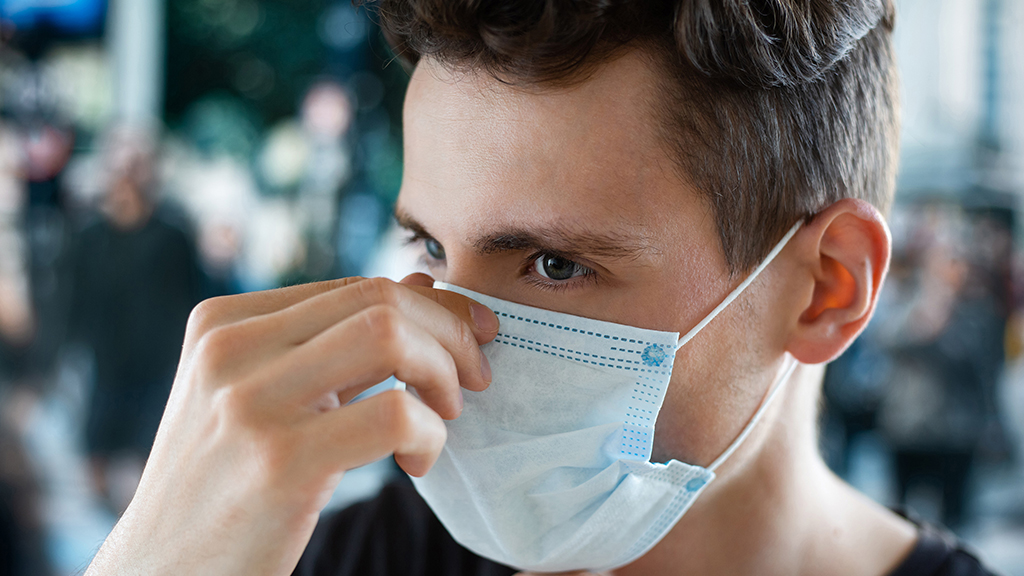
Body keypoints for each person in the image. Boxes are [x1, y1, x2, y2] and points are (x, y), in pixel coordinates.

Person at [85, 1, 998, 575]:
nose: (441, 344)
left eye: (555, 265)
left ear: (827, 289)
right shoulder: (317, 559)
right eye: (429, 245)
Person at [66, 128, 204, 514]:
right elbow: (72, 300)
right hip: (105, 366)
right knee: (93, 462)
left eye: (137, 164)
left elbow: (193, 297)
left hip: (157, 366)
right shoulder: (88, 237)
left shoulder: (173, 235)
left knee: (145, 466)